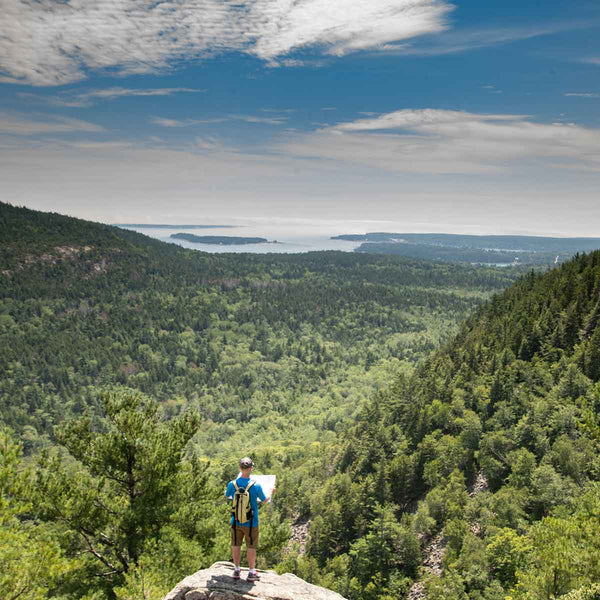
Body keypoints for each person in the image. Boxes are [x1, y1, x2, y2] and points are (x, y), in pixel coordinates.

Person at [225, 457, 273, 581]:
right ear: (251, 468)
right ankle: (251, 572)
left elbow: (227, 494)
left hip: (236, 521)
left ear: (240, 468)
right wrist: (271, 492)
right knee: (251, 546)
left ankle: (236, 570)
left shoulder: (233, 484)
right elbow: (264, 500)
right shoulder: (256, 485)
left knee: (236, 544)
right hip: (251, 522)